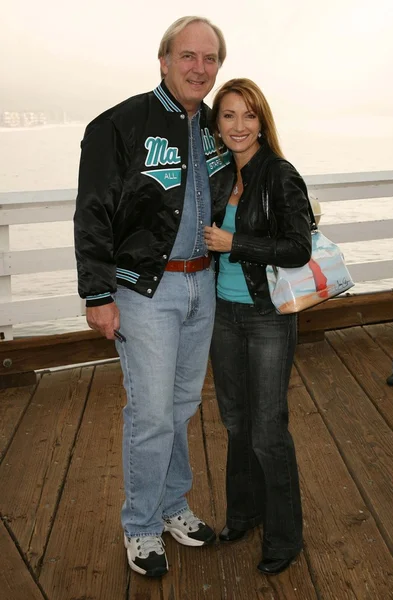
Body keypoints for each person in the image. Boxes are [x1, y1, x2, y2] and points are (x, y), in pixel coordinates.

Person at [74, 16, 229, 578]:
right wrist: (97, 293)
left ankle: (172, 506)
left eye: (210, 59)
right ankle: (140, 525)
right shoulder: (118, 125)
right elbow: (91, 213)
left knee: (182, 408)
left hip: (202, 284)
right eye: (188, 56)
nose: (199, 68)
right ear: (163, 60)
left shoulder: (216, 127)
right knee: (151, 414)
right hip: (145, 290)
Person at [204, 78, 312, 575]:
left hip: (267, 316)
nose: (239, 126)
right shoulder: (221, 174)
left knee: (268, 430)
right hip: (223, 316)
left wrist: (235, 243)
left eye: (248, 115)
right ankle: (243, 515)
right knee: (235, 423)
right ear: (217, 124)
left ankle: (285, 536)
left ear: (262, 121)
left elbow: (298, 248)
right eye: (228, 116)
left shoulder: (279, 174)